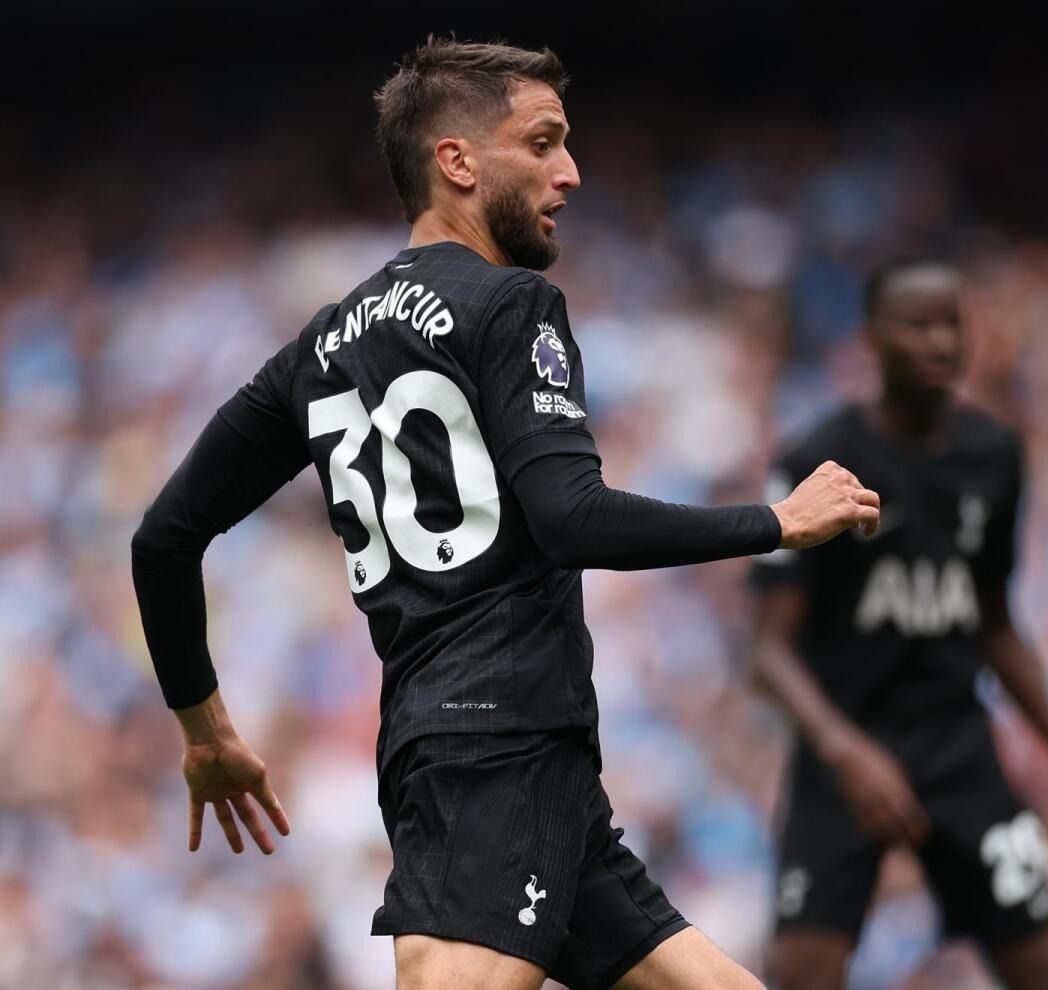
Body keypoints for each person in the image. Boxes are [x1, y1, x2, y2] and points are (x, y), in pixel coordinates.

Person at [130, 38, 881, 990]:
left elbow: (163, 540)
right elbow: (573, 518)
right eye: (544, 142)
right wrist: (775, 521)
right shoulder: (509, 304)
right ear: (457, 161)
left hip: (488, 750)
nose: (570, 171)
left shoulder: (317, 352)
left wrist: (206, 732)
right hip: (499, 745)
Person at [748, 258, 1048, 990]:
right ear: (872, 339)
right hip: (845, 751)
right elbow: (766, 652)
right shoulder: (818, 461)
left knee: (1047, 968)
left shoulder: (995, 455)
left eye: (952, 322)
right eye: (918, 324)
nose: (941, 341)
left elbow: (996, 625)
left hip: (958, 748)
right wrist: (845, 751)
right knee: (799, 974)